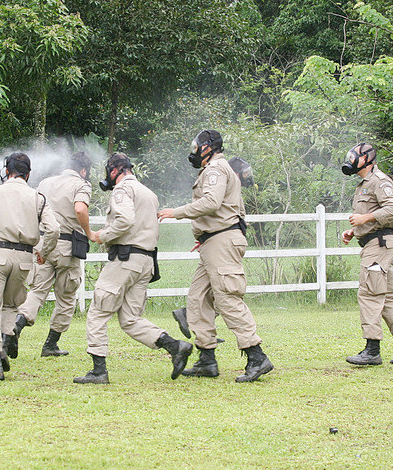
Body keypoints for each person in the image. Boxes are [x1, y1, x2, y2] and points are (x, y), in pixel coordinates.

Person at [158, 130, 273, 382]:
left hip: (220, 241)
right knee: (198, 300)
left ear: (207, 148)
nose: (194, 150)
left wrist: (175, 212)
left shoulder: (214, 170)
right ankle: (206, 359)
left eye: (196, 146)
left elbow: (211, 203)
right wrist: (207, 237)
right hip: (215, 241)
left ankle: (256, 356)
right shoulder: (217, 170)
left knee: (228, 298)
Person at [73, 153, 192, 384]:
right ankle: (176, 346)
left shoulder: (122, 190)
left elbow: (125, 220)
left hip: (125, 259)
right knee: (130, 319)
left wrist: (102, 235)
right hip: (145, 261)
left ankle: (99, 371)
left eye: (109, 170)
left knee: (98, 311)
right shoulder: (148, 193)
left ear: (116, 169)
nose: (108, 175)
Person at [0, 152, 59, 381]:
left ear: (6, 171)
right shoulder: (38, 197)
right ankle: (6, 341)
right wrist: (43, 252)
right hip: (24, 258)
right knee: (11, 305)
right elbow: (53, 229)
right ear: (28, 173)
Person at [340, 143, 393, 366]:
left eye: (354, 156)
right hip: (374, 242)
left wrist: (364, 220)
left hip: (380, 244)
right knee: (385, 295)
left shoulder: (380, 181)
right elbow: (372, 216)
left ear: (367, 159)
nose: (351, 159)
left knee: (368, 293)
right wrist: (354, 230)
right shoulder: (364, 184)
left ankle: (372, 349)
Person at [11, 152, 94, 358]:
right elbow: (80, 209)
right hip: (67, 246)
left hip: (43, 243)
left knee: (37, 290)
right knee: (66, 298)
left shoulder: (45, 183)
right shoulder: (81, 184)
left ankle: (17, 325)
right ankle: (50, 344)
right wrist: (89, 232)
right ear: (83, 170)